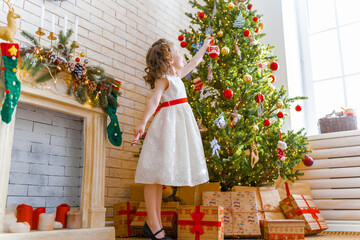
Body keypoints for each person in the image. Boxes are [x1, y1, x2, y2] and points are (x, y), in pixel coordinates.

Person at [133, 36, 213, 240]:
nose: (181, 54)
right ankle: (153, 224)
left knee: (160, 176)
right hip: (166, 127)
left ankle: (154, 224)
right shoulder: (164, 79)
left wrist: (204, 46)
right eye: (177, 51)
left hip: (178, 127)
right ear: (169, 59)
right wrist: (143, 122)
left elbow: (194, 62)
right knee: (154, 174)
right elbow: (154, 100)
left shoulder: (178, 74)